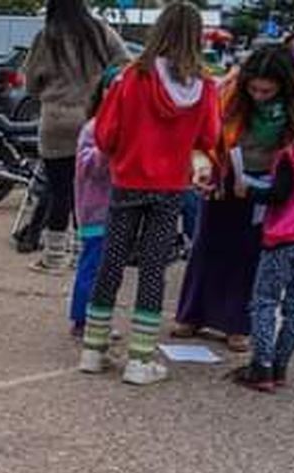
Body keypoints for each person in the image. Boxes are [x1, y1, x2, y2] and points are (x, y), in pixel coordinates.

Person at [80, 2, 220, 386]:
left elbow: (106, 133)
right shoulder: (204, 86)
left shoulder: (131, 78)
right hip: (170, 187)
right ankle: (140, 359)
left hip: (127, 182)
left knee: (111, 262)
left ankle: (93, 348)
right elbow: (209, 138)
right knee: (154, 268)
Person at [173, 46, 294, 351]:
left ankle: (237, 324)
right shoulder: (229, 93)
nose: (258, 95)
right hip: (227, 173)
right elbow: (209, 135)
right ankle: (193, 314)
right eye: (253, 89)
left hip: (272, 183)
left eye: (266, 91)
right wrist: (208, 170)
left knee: (250, 254)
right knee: (208, 244)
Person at [22, 0, 129, 273]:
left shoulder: (47, 37)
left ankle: (54, 257)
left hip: (55, 123)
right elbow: (126, 66)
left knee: (60, 192)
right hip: (93, 122)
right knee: (90, 192)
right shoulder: (101, 32)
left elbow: (31, 82)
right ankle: (85, 253)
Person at [233, 90, 294, 393]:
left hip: (284, 237)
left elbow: (278, 195)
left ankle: (261, 366)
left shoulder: (293, 156)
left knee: (264, 301)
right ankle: (281, 366)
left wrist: (248, 190)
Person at [69, 73, 115, 337]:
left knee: (107, 268)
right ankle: (82, 318)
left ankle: (97, 317)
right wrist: (107, 148)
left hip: (118, 209)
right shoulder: (93, 128)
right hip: (95, 209)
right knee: (93, 264)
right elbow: (88, 168)